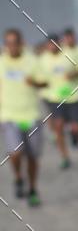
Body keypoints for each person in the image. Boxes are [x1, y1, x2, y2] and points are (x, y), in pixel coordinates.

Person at [0, 28, 43, 205]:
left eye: (14, 43)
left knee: (33, 157)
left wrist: (34, 82)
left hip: (32, 114)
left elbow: (44, 81)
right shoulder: (1, 62)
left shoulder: (32, 61)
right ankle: (18, 177)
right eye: (8, 43)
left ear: (20, 43)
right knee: (16, 152)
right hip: (9, 115)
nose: (12, 47)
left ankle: (32, 188)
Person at [36, 33, 78, 169]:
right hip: (55, 98)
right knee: (58, 126)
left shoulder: (69, 53)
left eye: (55, 43)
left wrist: (74, 74)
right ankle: (65, 157)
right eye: (50, 44)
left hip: (74, 96)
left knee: (76, 127)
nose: (52, 46)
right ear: (47, 45)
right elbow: (39, 77)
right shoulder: (43, 59)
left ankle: (75, 136)